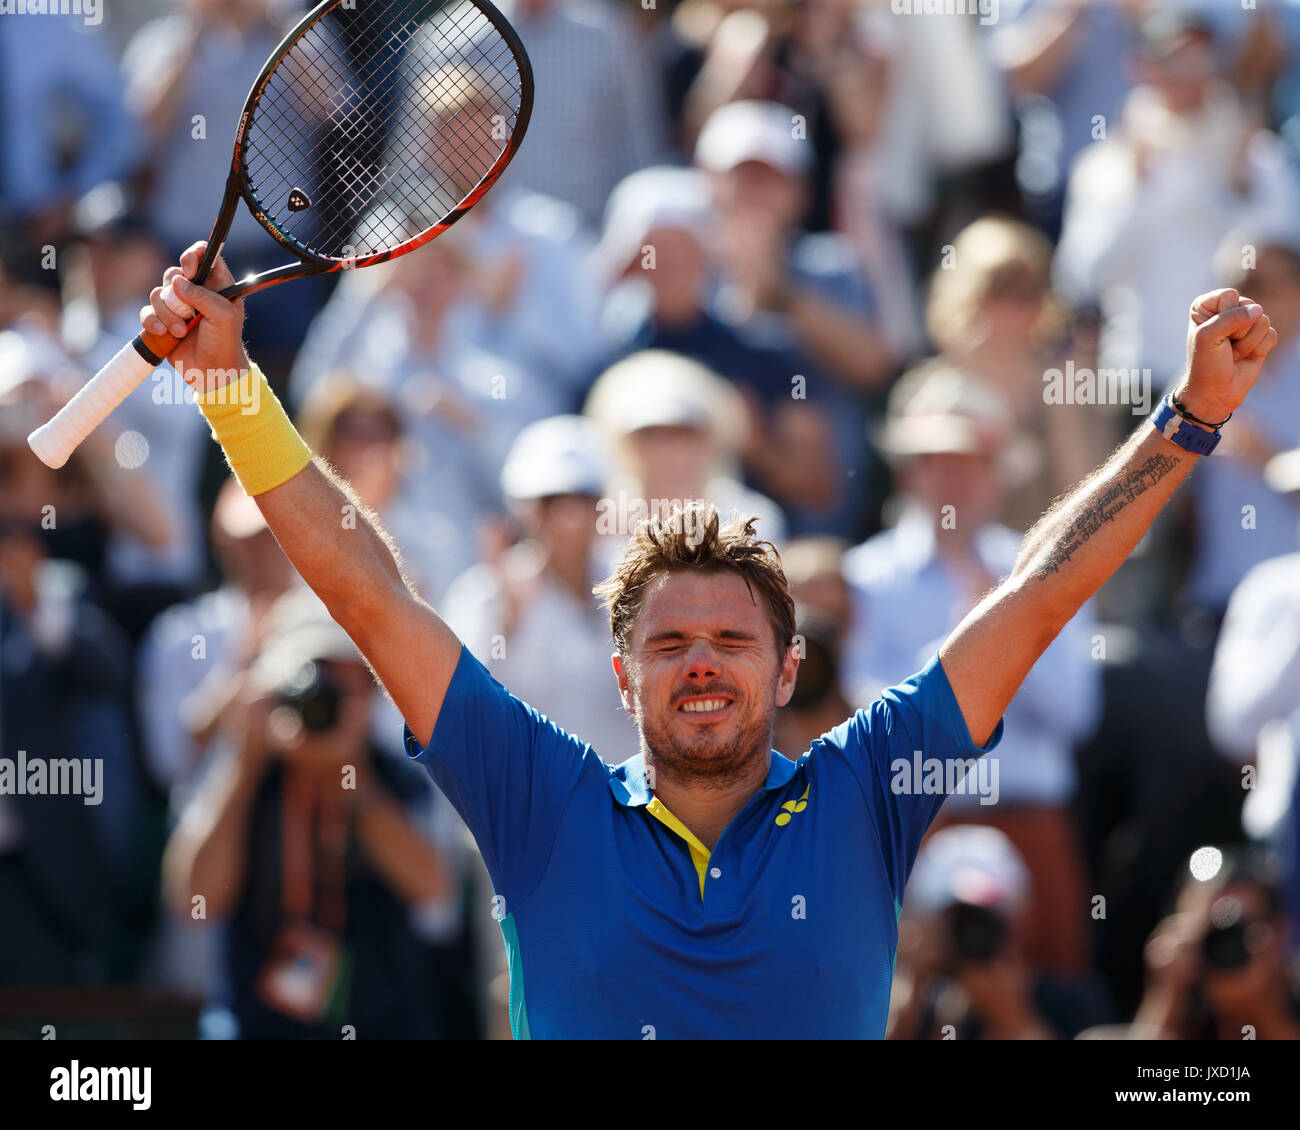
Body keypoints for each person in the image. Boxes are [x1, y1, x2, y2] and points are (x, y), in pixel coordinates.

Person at [139, 235, 1276, 1038]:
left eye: (732, 641)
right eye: (671, 639)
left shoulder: (867, 785)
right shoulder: (539, 794)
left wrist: (1187, 422)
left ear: (787, 669)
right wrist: (230, 386)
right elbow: (372, 595)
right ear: (622, 670)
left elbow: (1034, 594)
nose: (699, 661)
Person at [841, 363, 1101, 974]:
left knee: (1047, 1001)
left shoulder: (1046, 568)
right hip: (918, 823)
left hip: (1032, 824)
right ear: (910, 471)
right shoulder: (864, 579)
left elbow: (1076, 712)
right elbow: (862, 718)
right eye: (937, 459)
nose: (955, 478)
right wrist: (982, 637)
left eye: (972, 459)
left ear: (997, 472)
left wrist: (1010, 625)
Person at [162, 593, 458, 1038]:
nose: (329, 703)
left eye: (350, 685)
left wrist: (351, 783)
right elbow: (192, 901)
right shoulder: (248, 771)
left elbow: (434, 890)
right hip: (256, 1023)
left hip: (381, 1022)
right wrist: (243, 766)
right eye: (316, 681)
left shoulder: (397, 775)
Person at [442, 415, 637, 760]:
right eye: (549, 501)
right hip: (529, 802)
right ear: (523, 509)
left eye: (581, 499)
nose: (567, 517)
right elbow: (459, 708)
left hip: (628, 802)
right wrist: (508, 619)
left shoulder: (639, 582)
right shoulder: (483, 594)